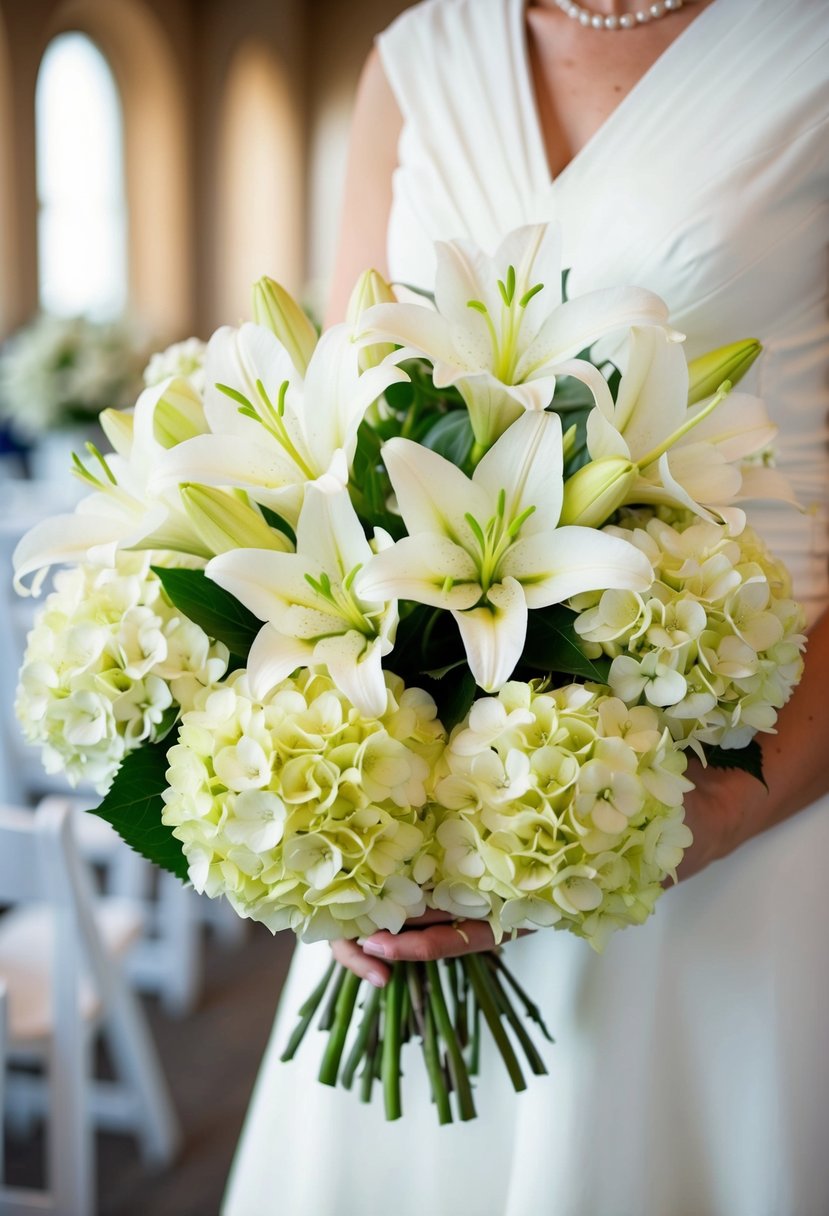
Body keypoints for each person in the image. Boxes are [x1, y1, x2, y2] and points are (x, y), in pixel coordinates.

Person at [223, 1, 829, 1212]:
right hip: (432, 819)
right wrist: (344, 809)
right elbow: (342, 431)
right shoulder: (416, 55)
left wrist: (688, 826)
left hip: (751, 789)